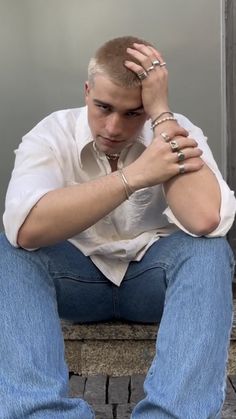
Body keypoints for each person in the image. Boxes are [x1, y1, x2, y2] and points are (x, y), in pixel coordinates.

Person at [0, 35, 235, 419]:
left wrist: (161, 114)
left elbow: (207, 219)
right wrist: (136, 176)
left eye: (133, 113)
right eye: (103, 107)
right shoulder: (51, 133)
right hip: (76, 281)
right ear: (87, 91)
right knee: (8, 250)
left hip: (151, 282)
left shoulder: (174, 130)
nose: (113, 126)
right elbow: (25, 228)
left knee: (209, 251)